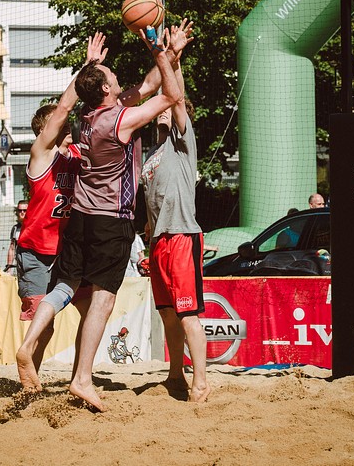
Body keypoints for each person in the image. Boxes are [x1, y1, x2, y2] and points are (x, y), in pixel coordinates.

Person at [20, 22, 190, 411]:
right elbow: (170, 94)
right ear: (105, 90)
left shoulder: (83, 117)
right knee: (102, 301)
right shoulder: (121, 120)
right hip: (110, 219)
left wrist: (168, 53)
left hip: (78, 217)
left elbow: (147, 86)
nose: (117, 77)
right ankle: (81, 378)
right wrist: (158, 52)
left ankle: (28, 344)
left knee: (62, 286)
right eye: (111, 76)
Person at [14, 32, 105, 391]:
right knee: (44, 321)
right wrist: (88, 68)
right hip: (36, 251)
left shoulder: (74, 155)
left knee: (90, 310)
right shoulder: (41, 154)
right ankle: (28, 379)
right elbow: (66, 106)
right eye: (60, 123)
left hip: (67, 251)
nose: (66, 124)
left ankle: (79, 378)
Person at [141, 62, 209, 404]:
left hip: (182, 236)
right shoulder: (150, 156)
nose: (162, 111)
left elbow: (177, 98)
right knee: (168, 314)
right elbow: (153, 204)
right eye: (159, 108)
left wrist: (174, 61)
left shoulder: (182, 144)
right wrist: (147, 241)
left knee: (187, 315)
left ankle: (201, 381)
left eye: (167, 106)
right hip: (159, 241)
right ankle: (175, 373)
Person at [5, 200, 29, 276]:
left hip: (32, 265)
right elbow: (12, 248)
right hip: (19, 266)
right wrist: (9, 267)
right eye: (20, 210)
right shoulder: (15, 228)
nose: (22, 212)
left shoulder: (33, 227)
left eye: (25, 210)